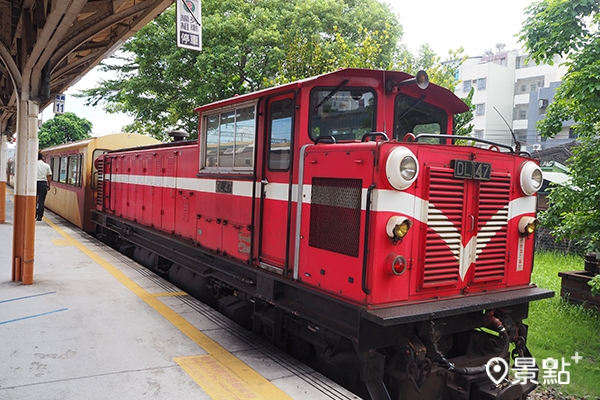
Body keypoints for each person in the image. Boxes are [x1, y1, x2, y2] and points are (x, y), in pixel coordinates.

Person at [36, 152, 52, 221]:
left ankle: (33, 214)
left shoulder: (32, 165)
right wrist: (49, 185)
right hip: (43, 184)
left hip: (34, 183)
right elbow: (49, 176)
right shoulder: (46, 165)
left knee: (33, 200)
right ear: (42, 158)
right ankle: (40, 217)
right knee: (41, 201)